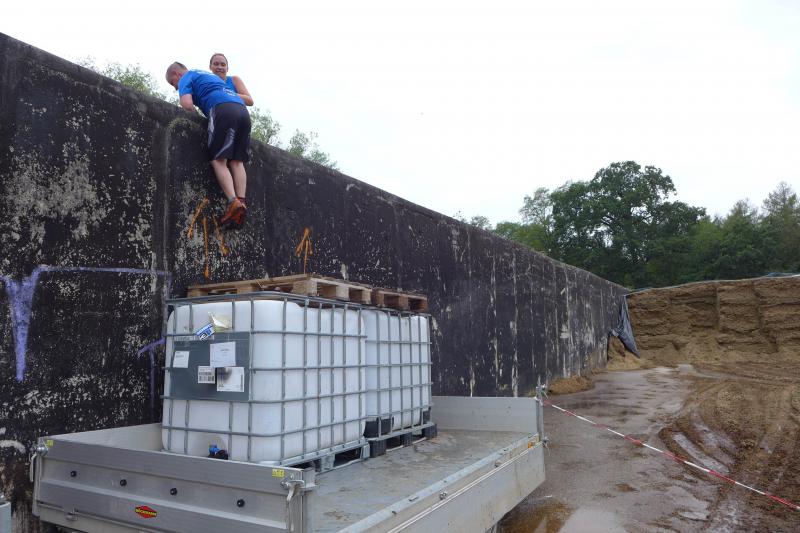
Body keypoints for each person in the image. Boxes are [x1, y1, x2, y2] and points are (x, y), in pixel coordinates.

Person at [165, 61, 250, 228]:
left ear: (177, 74)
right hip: (243, 112)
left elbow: (187, 104)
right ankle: (241, 203)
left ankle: (234, 203)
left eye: (174, 84)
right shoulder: (209, 76)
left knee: (218, 160)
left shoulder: (186, 77)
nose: (176, 88)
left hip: (222, 109)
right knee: (237, 161)